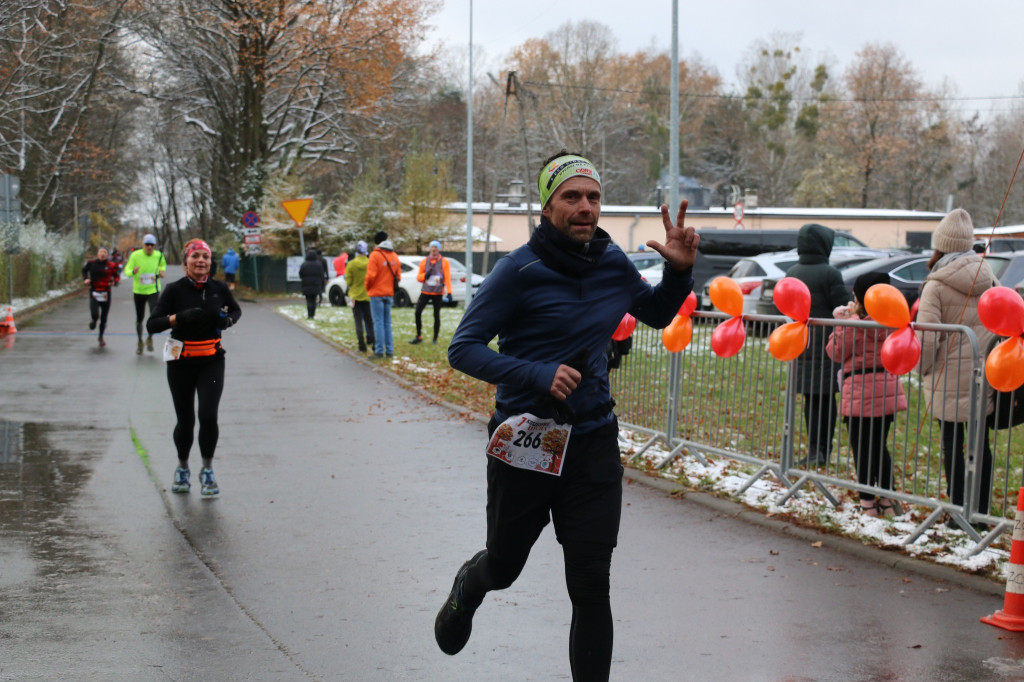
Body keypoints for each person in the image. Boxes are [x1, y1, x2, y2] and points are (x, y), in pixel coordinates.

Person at [436, 151, 698, 680]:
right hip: (526, 441)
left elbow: (656, 312)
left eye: (593, 196)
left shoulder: (611, 262)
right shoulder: (518, 270)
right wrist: (537, 374)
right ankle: (471, 584)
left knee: (589, 583)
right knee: (505, 567)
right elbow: (463, 348)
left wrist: (679, 273)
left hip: (593, 442)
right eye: (571, 196)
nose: (585, 207)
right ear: (547, 204)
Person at [916, 208, 997, 518]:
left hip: (945, 377)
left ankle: (958, 510)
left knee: (953, 443)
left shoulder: (935, 284)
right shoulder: (990, 276)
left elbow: (927, 339)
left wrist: (922, 369)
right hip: (984, 375)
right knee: (981, 444)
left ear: (941, 244)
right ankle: (982, 509)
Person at [146, 238, 241, 497]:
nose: (201, 261)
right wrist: (178, 318)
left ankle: (207, 470)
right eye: (195, 256)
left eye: (206, 257)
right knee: (185, 420)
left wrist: (228, 320)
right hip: (181, 362)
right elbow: (152, 324)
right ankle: (183, 467)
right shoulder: (174, 290)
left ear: (211, 262)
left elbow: (235, 310)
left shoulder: (219, 288)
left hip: (211, 361)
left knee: (208, 416)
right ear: (186, 261)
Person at [826, 273, 908, 517]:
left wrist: (841, 322)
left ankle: (867, 502)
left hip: (861, 390)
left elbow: (836, 353)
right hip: (887, 388)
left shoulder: (856, 322)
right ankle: (887, 498)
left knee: (861, 447)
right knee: (879, 445)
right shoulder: (894, 320)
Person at [786, 223, 852, 468]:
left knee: (811, 401)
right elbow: (842, 306)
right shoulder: (830, 273)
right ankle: (823, 449)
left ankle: (813, 449)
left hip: (800, 344)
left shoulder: (792, 272)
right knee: (826, 402)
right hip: (826, 347)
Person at [123, 233, 167, 354]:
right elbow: (127, 271)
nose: (149, 247)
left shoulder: (159, 255)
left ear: (154, 246)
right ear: (143, 245)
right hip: (139, 291)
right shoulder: (136, 255)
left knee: (154, 316)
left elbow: (162, 265)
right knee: (140, 317)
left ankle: (149, 338)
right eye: (147, 244)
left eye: (152, 245)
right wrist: (133, 271)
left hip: (153, 290)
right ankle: (139, 342)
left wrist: (161, 271)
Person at [365, 233, 401, 358]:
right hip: (389, 293)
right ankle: (389, 350)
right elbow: (398, 276)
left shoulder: (375, 255)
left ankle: (379, 351)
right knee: (387, 323)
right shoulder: (394, 256)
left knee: (378, 322)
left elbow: (371, 276)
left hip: (376, 293)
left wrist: (368, 288)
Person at [410, 240, 452, 345]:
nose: (434, 249)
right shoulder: (424, 261)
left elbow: (447, 278)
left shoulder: (444, 261)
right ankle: (418, 336)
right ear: (430, 249)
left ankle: (435, 338)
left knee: (436, 315)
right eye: (432, 247)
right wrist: (425, 276)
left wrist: (450, 292)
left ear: (439, 249)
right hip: (426, 291)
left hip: (437, 293)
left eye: (436, 247)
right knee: (417, 312)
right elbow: (418, 277)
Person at [81, 246, 120, 347]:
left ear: (107, 255)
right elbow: (84, 270)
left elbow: (116, 276)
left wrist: (114, 282)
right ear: (97, 254)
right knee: (95, 313)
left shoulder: (111, 265)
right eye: (101, 252)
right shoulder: (92, 263)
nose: (102, 254)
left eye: (104, 252)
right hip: (94, 292)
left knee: (104, 317)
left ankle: (101, 336)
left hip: (106, 293)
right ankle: (94, 321)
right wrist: (86, 279)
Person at [345, 240, 374, 352]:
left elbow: (348, 281)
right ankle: (373, 341)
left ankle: (361, 345)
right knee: (370, 320)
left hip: (355, 296)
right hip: (368, 295)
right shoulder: (370, 263)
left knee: (358, 322)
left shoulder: (351, 264)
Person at [299, 249, 325, 319]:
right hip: (316, 285)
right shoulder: (319, 264)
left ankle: (309, 314)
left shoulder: (304, 264)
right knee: (314, 299)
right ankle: (313, 314)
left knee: (308, 300)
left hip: (306, 285)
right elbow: (322, 274)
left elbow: (301, 274)